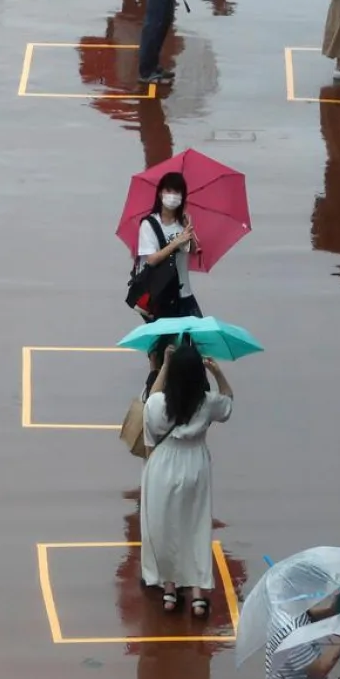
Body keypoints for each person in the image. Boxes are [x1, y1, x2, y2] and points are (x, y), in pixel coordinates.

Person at [140, 343, 232, 617]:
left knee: (164, 528)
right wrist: (218, 372)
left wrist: (165, 364)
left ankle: (170, 590)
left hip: (163, 465)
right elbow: (228, 402)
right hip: (195, 465)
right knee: (195, 527)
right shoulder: (207, 402)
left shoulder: (160, 403)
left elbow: (151, 400)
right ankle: (198, 595)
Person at [136, 170, 200, 318]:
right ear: (160, 193)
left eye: (177, 192)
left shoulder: (182, 223)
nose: (173, 196)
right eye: (169, 191)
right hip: (159, 297)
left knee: (199, 332)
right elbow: (151, 260)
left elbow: (193, 251)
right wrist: (175, 243)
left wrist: (189, 232)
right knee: (168, 334)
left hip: (184, 293)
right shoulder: (149, 224)